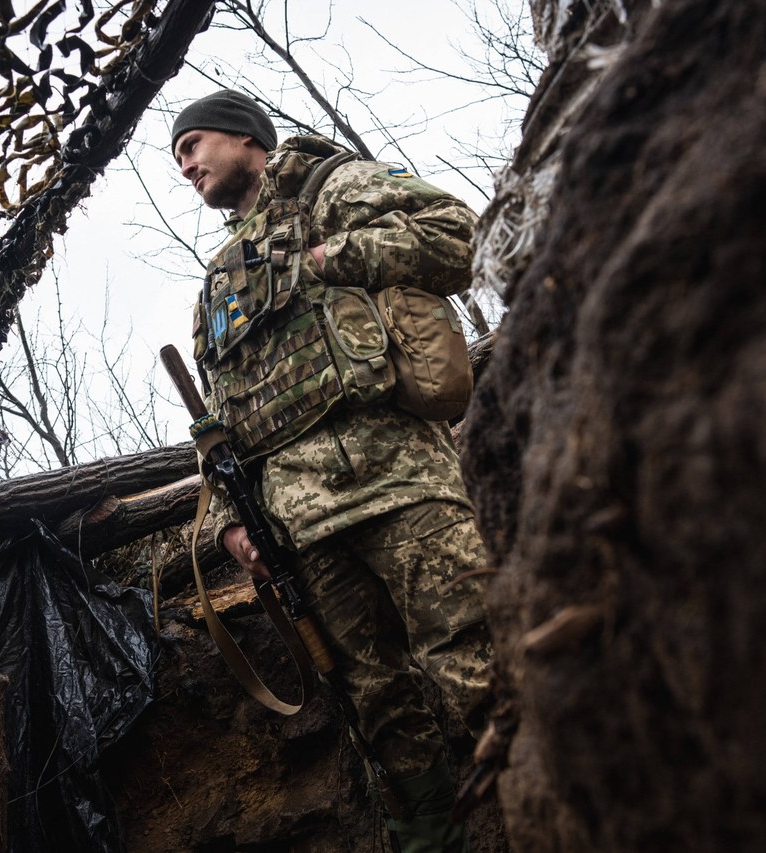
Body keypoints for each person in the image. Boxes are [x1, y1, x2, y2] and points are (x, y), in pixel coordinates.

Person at [172, 89, 492, 853]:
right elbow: (221, 417)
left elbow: (461, 235)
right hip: (300, 522)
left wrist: (329, 258)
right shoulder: (215, 284)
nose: (184, 163)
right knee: (375, 698)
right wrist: (231, 522)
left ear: (247, 139)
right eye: (177, 155)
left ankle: (565, 798)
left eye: (194, 143)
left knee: (473, 646)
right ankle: (430, 836)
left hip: (398, 477)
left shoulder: (328, 190)